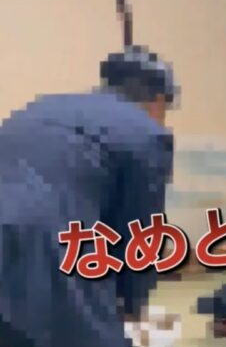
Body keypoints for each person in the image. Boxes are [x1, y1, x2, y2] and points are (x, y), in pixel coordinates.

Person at [0, 45, 177, 347]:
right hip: (47, 244)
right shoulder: (146, 133)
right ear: (159, 100)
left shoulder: (45, 107)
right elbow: (140, 234)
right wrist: (132, 306)